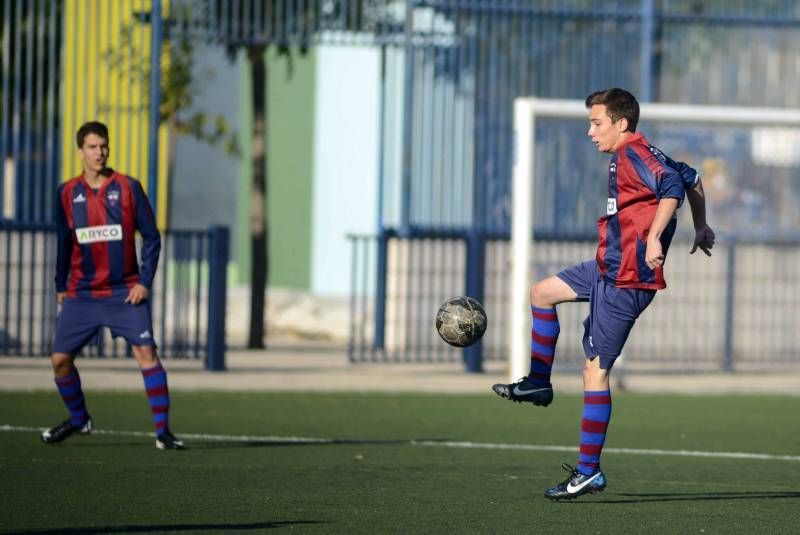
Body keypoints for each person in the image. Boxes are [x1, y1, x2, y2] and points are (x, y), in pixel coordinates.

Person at [492, 88, 714, 499]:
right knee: (541, 293)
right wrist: (700, 226)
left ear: (620, 123)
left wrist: (652, 239)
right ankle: (539, 382)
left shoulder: (633, 156)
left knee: (595, 372)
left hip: (626, 279)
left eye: (596, 123)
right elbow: (693, 177)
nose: (590, 132)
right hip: (605, 267)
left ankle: (588, 470)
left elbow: (671, 188)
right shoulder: (646, 151)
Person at [41, 121, 184, 450]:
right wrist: (60, 284)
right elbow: (65, 242)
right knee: (59, 360)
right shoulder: (66, 193)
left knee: (146, 353)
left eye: (103, 146)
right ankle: (79, 419)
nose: (99, 152)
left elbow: (151, 237)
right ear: (81, 152)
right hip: (82, 293)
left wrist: (144, 282)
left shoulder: (129, 188)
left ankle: (163, 433)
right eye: (92, 147)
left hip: (124, 292)